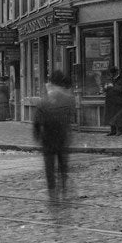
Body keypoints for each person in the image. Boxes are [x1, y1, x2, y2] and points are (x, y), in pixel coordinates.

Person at [32, 70, 74, 200]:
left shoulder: (43, 101)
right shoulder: (68, 99)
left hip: (48, 138)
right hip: (62, 136)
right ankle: (64, 188)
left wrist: (37, 136)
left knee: (49, 166)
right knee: (63, 165)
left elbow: (37, 122)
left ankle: (52, 191)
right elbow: (71, 116)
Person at [102, 67, 122, 136]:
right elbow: (105, 89)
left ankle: (120, 130)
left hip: (117, 101)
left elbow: (121, 89)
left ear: (116, 73)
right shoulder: (110, 80)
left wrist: (112, 86)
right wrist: (105, 87)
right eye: (111, 73)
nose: (111, 75)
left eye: (113, 73)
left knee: (117, 116)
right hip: (110, 100)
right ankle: (113, 130)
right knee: (110, 115)